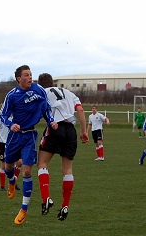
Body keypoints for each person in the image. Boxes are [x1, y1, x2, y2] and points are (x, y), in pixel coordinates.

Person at [0, 65, 58, 225]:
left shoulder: (39, 90)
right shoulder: (12, 95)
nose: (30, 77)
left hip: (30, 136)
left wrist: (51, 121)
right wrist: (11, 124)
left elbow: (46, 109)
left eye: (31, 74)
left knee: (26, 171)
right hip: (14, 136)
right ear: (19, 78)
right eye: (26, 75)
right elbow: (3, 115)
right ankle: (11, 181)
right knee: (8, 167)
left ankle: (24, 208)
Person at [37, 73, 89, 221]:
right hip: (70, 130)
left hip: (55, 127)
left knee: (42, 163)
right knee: (67, 169)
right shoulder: (69, 93)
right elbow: (80, 110)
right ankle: (65, 205)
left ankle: (46, 197)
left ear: (41, 84)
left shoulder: (42, 92)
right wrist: (84, 131)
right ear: (53, 82)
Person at [0, 114, 22, 191]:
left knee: (19, 162)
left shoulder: (17, 115)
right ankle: (2, 186)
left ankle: (14, 182)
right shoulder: (0, 117)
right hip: (2, 143)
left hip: (14, 142)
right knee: (4, 164)